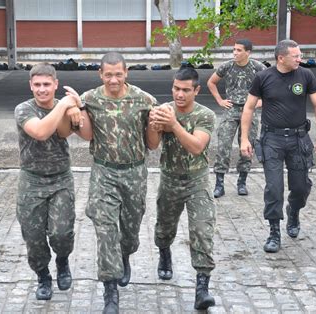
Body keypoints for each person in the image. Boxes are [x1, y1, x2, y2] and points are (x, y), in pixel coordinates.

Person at [80, 52, 158, 313]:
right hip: (104, 173)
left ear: (126, 73)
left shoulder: (144, 100)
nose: (113, 79)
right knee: (105, 231)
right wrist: (72, 108)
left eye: (118, 74)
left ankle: (125, 255)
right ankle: (110, 290)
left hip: (135, 173)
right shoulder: (89, 99)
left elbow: (152, 143)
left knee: (130, 229)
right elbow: (79, 125)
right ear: (100, 74)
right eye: (108, 74)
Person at [240, 39, 316, 253]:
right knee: (274, 188)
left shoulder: (306, 75)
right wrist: (244, 138)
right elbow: (249, 108)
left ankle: (294, 211)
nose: (300, 59)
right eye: (296, 55)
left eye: (300, 55)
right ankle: (274, 231)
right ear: (281, 58)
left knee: (300, 187)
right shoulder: (263, 78)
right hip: (272, 140)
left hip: (299, 139)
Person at [14, 63, 92, 300]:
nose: (42, 89)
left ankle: (62, 261)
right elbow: (40, 132)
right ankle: (43, 277)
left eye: (47, 84)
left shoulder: (66, 107)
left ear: (55, 84)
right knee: (34, 239)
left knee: (61, 234)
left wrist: (78, 107)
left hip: (60, 180)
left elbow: (87, 135)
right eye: (37, 85)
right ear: (30, 85)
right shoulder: (23, 109)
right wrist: (64, 106)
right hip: (32, 181)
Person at [147, 67, 217, 310]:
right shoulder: (164, 111)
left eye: (186, 90)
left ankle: (202, 287)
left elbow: (197, 146)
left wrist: (174, 125)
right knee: (164, 228)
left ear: (196, 90)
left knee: (202, 230)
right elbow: (153, 146)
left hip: (197, 181)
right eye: (176, 89)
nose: (180, 94)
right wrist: (155, 124)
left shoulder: (205, 115)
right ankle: (164, 252)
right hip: (170, 180)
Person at [207, 39, 266, 198]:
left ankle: (242, 182)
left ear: (248, 52)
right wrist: (220, 100)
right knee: (223, 145)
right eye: (234, 49)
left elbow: (272, 85)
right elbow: (211, 82)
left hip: (250, 111)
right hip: (231, 109)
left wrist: (261, 101)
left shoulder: (258, 67)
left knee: (247, 147)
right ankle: (219, 184)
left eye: (239, 50)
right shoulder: (227, 66)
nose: (235, 53)